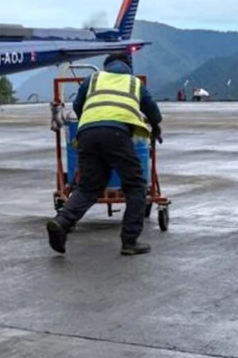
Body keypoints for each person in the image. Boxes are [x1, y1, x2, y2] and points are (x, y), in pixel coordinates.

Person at [46, 52, 161, 256]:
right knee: (135, 186)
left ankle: (61, 222)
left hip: (87, 133)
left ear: (106, 66)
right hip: (117, 133)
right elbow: (152, 110)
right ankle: (129, 241)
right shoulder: (133, 83)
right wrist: (156, 128)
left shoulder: (93, 79)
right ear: (127, 66)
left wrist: (92, 124)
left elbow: (77, 105)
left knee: (88, 188)